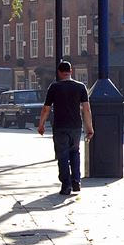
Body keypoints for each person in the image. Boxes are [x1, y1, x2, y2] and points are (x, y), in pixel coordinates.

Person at [37, 61, 94, 196]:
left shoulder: (54, 87)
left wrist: (41, 124)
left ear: (59, 72)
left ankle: (66, 185)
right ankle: (76, 180)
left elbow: (46, 108)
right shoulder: (80, 87)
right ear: (71, 71)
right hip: (75, 126)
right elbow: (86, 109)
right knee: (75, 152)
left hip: (60, 125)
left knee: (62, 155)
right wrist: (89, 128)